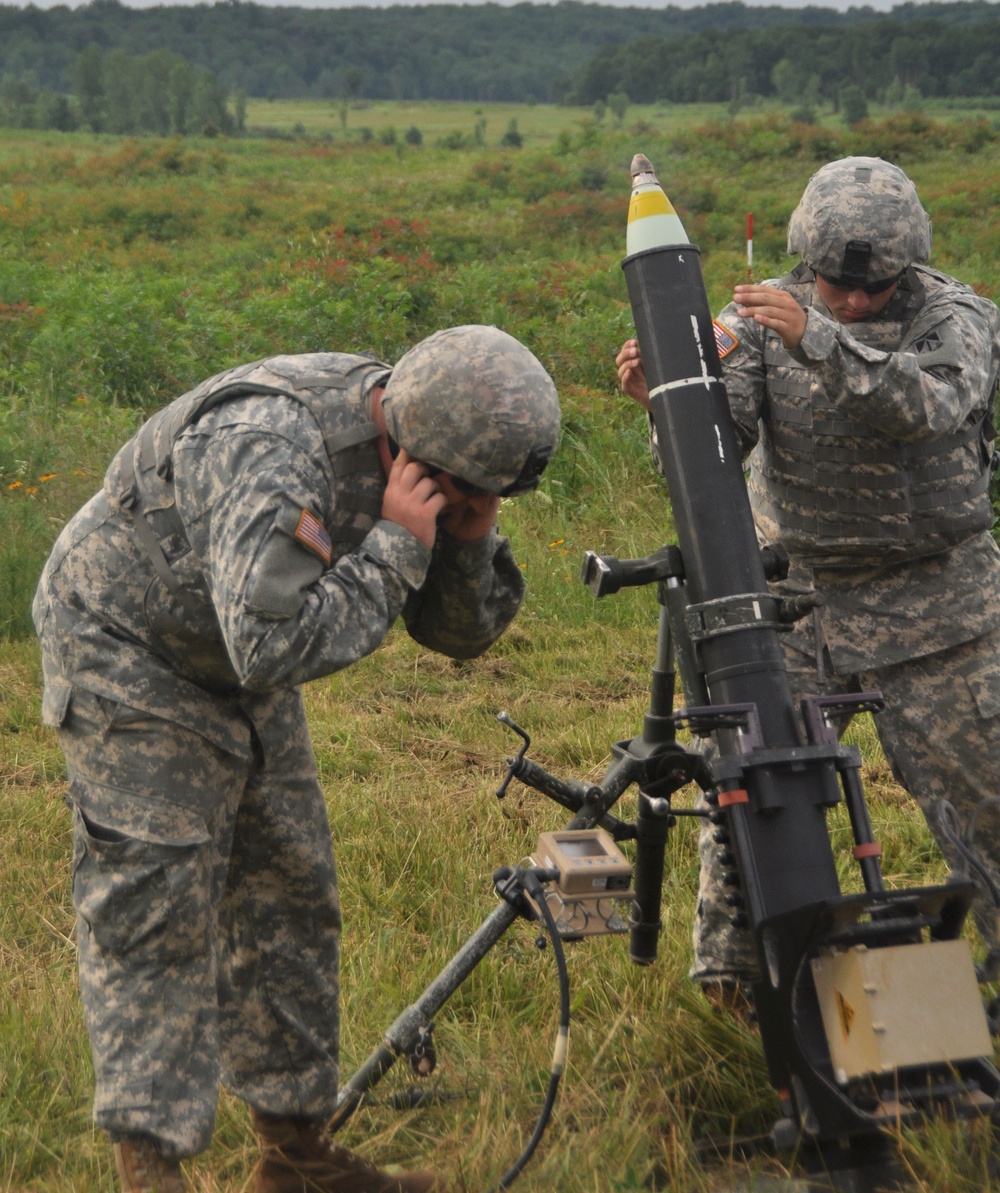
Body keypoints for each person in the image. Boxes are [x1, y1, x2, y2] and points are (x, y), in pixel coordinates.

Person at [32, 325, 561, 1193]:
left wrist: (464, 532)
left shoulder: (425, 454)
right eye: (468, 489)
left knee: (289, 885)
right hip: (131, 643)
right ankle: (150, 1171)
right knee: (155, 902)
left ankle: (294, 1158)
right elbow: (271, 648)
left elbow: (458, 635)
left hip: (240, 640)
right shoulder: (271, 447)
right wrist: (395, 546)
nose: (474, 500)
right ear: (416, 451)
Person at [616, 156, 1000, 1004]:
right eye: (834, 285)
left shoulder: (957, 317)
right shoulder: (754, 320)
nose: (853, 300)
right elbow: (720, 450)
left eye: (874, 288)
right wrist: (667, 403)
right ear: (803, 258)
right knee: (752, 794)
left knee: (985, 804)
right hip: (796, 603)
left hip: (936, 608)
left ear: (908, 265)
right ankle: (755, 990)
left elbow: (929, 410)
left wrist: (815, 335)